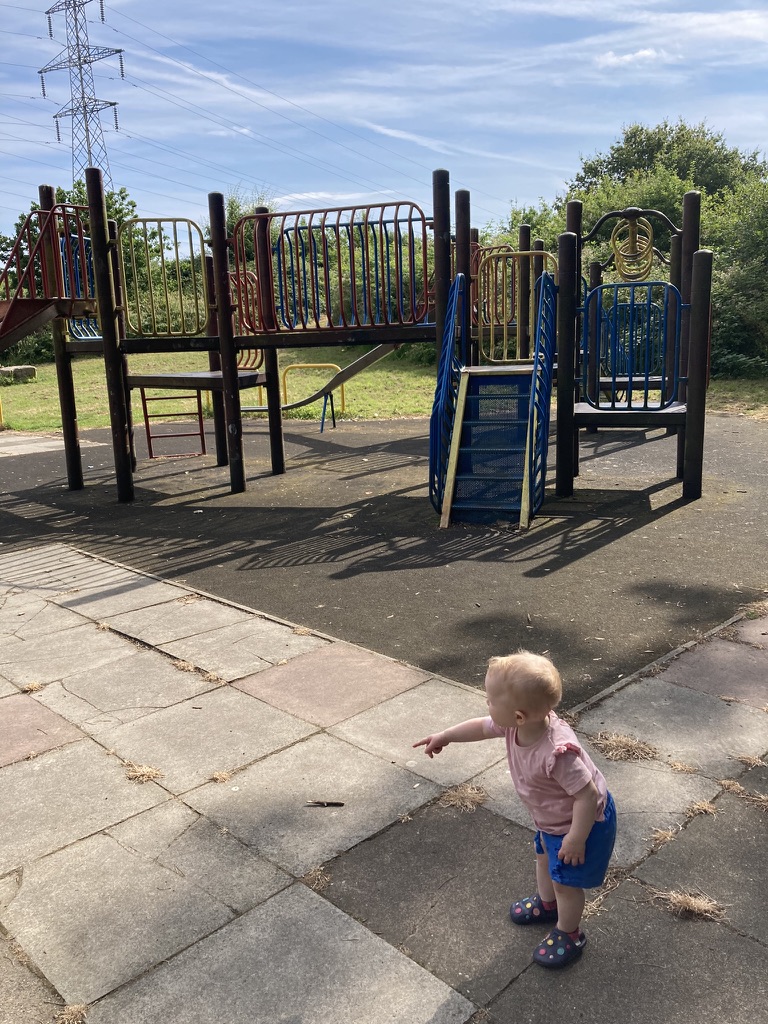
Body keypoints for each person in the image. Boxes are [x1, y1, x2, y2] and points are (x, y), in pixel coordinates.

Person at [413, 650, 616, 968]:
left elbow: (587, 797)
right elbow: (481, 727)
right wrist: (446, 736)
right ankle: (547, 905)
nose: (487, 704)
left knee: (566, 882)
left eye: (491, 700)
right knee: (544, 858)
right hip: (552, 821)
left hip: (583, 824)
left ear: (519, 715)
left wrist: (576, 838)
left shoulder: (558, 754)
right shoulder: (516, 726)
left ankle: (570, 932)